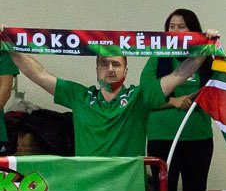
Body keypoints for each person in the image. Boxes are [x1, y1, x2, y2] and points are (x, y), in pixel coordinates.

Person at [3, 45, 207, 157]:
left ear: (125, 70)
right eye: (104, 64)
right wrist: (9, 46)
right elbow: (39, 74)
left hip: (127, 190)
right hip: (89, 190)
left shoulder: (139, 96)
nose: (110, 69)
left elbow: (178, 76)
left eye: (116, 64)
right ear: (97, 70)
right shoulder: (80, 96)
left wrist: (204, 51)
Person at [146, 9, 215, 191]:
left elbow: (222, 87)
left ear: (193, 30)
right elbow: (146, 95)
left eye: (181, 26)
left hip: (198, 138)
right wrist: (173, 101)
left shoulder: (205, 56)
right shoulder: (158, 57)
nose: (175, 31)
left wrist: (212, 42)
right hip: (162, 138)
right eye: (171, 26)